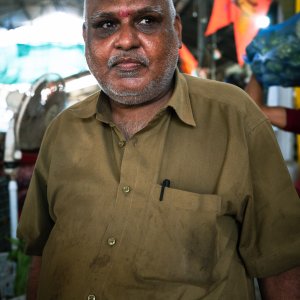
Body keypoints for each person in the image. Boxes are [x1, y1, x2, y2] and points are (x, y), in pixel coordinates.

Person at [17, 0, 300, 299]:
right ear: (87, 37)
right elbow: (43, 256)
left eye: (147, 21)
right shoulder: (62, 132)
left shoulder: (235, 118)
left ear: (176, 31)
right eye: (106, 25)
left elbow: (281, 265)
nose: (126, 40)